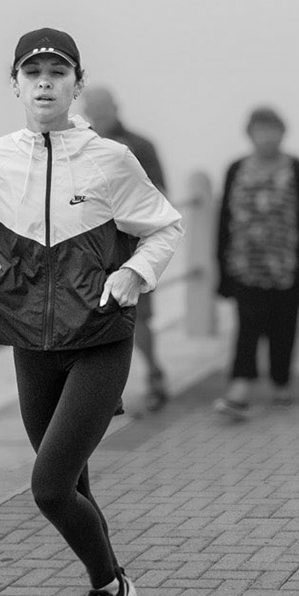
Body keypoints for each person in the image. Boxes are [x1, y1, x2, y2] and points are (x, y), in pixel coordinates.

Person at [0, 27, 183, 596]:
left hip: (101, 337)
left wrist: (132, 276)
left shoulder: (110, 159)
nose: (44, 83)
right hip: (31, 345)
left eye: (57, 72)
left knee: (49, 487)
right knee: (74, 481)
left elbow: (163, 227)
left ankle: (108, 590)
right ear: (15, 85)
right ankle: (114, 581)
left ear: (77, 84)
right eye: (33, 73)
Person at [214, 106, 299, 417]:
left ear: (283, 133)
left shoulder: (298, 171)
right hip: (245, 267)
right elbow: (223, 221)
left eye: (272, 130)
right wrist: (221, 270)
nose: (266, 137)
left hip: (286, 269)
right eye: (260, 131)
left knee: (284, 329)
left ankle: (281, 383)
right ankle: (240, 387)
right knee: (247, 328)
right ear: (249, 134)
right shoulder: (236, 169)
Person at [81, 85, 172, 413]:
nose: (100, 115)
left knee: (138, 319)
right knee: (94, 321)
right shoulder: (79, 146)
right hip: (89, 250)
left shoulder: (140, 146)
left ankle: (155, 376)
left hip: (132, 248)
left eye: (104, 108)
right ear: (86, 112)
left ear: (117, 108)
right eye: (94, 109)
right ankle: (104, 391)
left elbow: (160, 195)